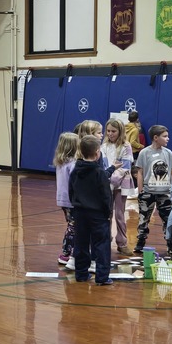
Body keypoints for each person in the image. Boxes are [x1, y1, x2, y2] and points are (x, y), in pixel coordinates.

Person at [69, 135, 114, 286]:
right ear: (97, 153)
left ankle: (81, 274)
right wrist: (108, 213)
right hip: (98, 214)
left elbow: (71, 191)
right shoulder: (99, 172)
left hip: (80, 212)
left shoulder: (76, 170)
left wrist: (75, 205)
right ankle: (102, 277)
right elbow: (106, 195)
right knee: (101, 244)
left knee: (80, 243)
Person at [133, 124, 172, 254]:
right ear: (155, 137)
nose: (168, 138)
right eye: (165, 136)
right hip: (148, 192)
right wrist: (140, 191)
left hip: (165, 193)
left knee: (168, 219)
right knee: (143, 218)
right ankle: (140, 241)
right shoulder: (144, 152)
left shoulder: (168, 153)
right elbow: (140, 172)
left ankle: (170, 244)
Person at [102, 118, 134, 255]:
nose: (110, 134)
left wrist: (110, 180)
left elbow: (125, 166)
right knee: (106, 213)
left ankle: (122, 243)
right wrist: (105, 179)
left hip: (121, 183)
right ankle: (105, 240)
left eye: (113, 131)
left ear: (120, 131)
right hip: (106, 182)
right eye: (108, 131)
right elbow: (103, 166)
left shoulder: (126, 146)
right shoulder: (103, 146)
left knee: (119, 214)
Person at [54, 132, 80, 266]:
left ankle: (70, 251)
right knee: (73, 227)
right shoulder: (73, 164)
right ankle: (66, 253)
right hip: (71, 200)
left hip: (63, 199)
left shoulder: (60, 162)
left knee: (71, 225)